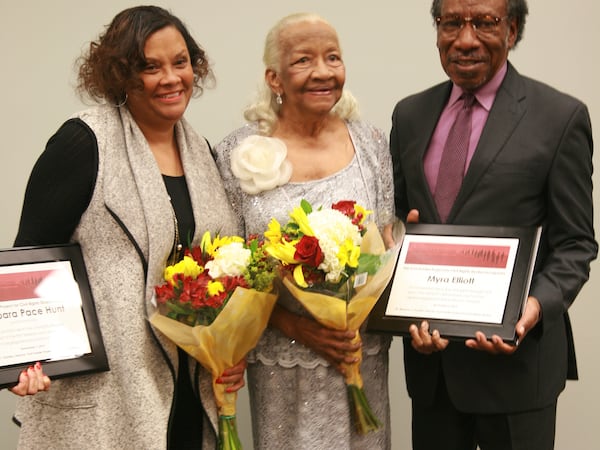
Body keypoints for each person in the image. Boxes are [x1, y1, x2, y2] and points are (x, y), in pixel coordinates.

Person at [9, 6, 246, 449]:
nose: (172, 78)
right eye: (150, 67)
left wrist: (229, 351)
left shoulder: (201, 152)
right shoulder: (82, 142)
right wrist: (25, 358)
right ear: (120, 74)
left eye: (180, 62)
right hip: (103, 399)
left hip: (189, 393)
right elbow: (32, 255)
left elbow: (215, 272)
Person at [389, 0, 597, 449]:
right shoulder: (409, 115)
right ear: (438, 30)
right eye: (451, 24)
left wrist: (534, 307)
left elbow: (576, 244)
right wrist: (404, 298)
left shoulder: (560, 118)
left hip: (517, 371)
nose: (465, 40)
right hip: (433, 371)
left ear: (513, 30)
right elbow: (400, 221)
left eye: (484, 23)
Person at [213, 12, 395, 450]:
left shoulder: (370, 142)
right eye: (303, 60)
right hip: (283, 366)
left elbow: (387, 244)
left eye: (332, 57)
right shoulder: (237, 153)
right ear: (274, 78)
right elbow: (229, 270)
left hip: (359, 353)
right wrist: (299, 326)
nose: (322, 71)